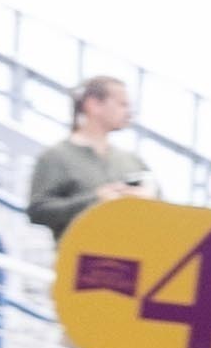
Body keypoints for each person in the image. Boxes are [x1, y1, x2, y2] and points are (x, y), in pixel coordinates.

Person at [24, 74, 146, 237]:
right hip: (79, 259)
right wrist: (95, 200)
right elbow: (38, 211)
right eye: (122, 104)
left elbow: (160, 204)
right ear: (94, 104)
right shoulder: (57, 157)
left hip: (131, 257)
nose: (128, 112)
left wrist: (147, 199)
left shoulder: (131, 161)